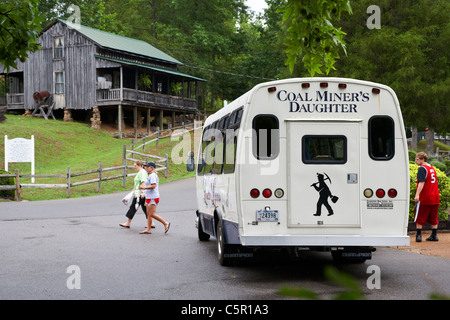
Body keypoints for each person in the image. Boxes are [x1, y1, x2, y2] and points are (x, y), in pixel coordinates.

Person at [119, 160, 154, 229]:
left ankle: (128, 223)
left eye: (135, 165)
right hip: (138, 192)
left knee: (133, 207)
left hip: (140, 194)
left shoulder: (142, 172)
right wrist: (133, 189)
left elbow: (143, 182)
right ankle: (151, 223)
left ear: (139, 165)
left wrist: (143, 192)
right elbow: (138, 183)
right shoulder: (140, 172)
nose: (134, 167)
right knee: (145, 208)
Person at [414, 152, 440, 242]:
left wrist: (417, 194)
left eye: (417, 159)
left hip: (425, 196)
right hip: (435, 196)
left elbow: (422, 182)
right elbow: (429, 180)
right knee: (434, 217)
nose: (416, 161)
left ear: (422, 159)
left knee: (420, 216)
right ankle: (434, 235)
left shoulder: (422, 168)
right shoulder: (432, 168)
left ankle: (418, 236)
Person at [139, 162, 170, 234]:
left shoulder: (153, 175)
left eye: (148, 167)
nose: (146, 168)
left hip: (153, 197)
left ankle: (165, 223)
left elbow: (153, 186)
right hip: (149, 197)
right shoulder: (150, 175)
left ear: (152, 168)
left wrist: (143, 187)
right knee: (148, 213)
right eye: (145, 166)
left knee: (151, 214)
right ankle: (148, 229)